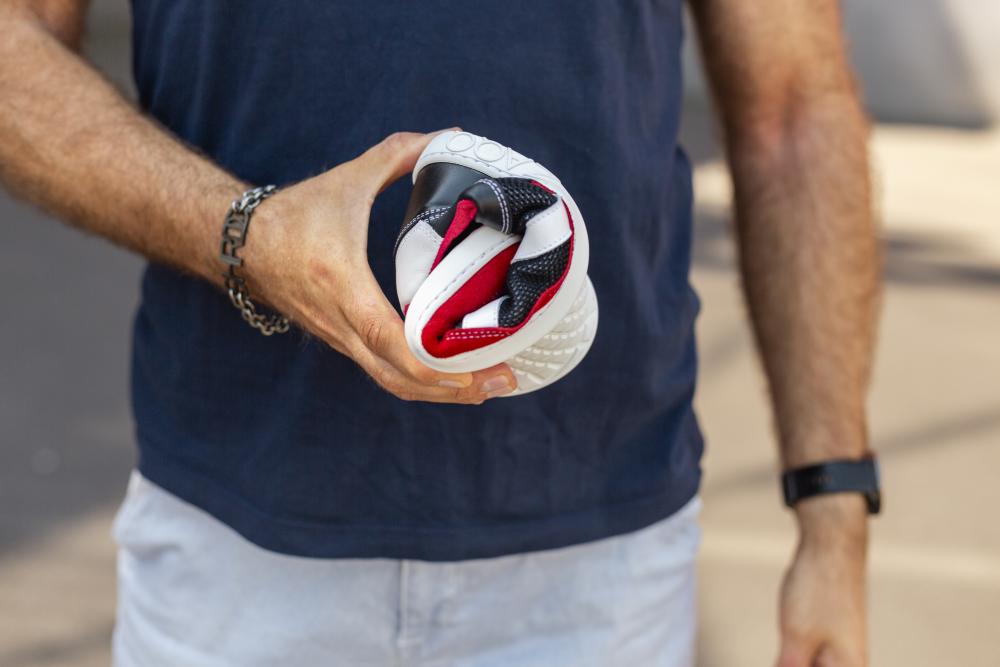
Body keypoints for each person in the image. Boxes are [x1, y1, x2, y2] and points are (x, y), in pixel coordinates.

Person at [0, 0, 880, 665]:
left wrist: (833, 515)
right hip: (237, 546)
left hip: (598, 575)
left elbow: (794, 108)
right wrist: (243, 232)